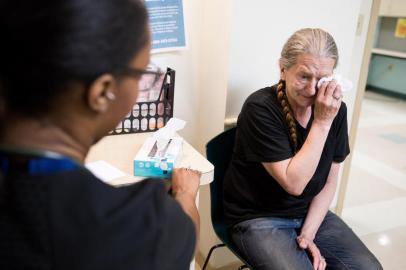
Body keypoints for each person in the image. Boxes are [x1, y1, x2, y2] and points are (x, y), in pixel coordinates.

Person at [0, 0, 200, 269]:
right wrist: (186, 195)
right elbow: (183, 237)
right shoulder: (142, 226)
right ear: (102, 91)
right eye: (141, 73)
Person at [223, 28, 382, 270]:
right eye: (304, 76)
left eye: (322, 79)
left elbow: (330, 180)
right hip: (259, 217)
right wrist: (322, 121)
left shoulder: (336, 110)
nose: (312, 90)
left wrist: (307, 234)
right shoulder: (260, 108)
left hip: (310, 213)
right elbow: (294, 183)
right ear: (283, 69)